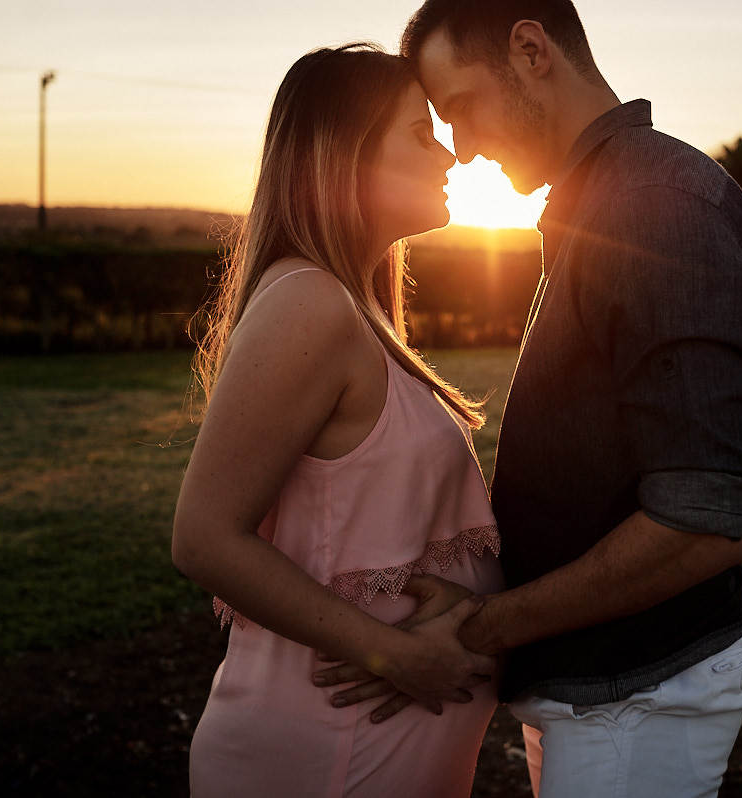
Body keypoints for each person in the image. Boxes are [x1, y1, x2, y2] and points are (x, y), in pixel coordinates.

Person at [313, 2, 742, 796]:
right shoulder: (601, 201)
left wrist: (485, 625)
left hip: (638, 697)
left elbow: (704, 523)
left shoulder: (657, 205)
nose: (460, 150)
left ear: (530, 51)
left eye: (459, 110)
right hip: (603, 688)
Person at [170, 43, 506, 797]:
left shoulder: (355, 309)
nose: (449, 153)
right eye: (421, 133)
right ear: (345, 158)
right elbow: (202, 537)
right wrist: (396, 654)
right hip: (325, 754)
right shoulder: (309, 304)